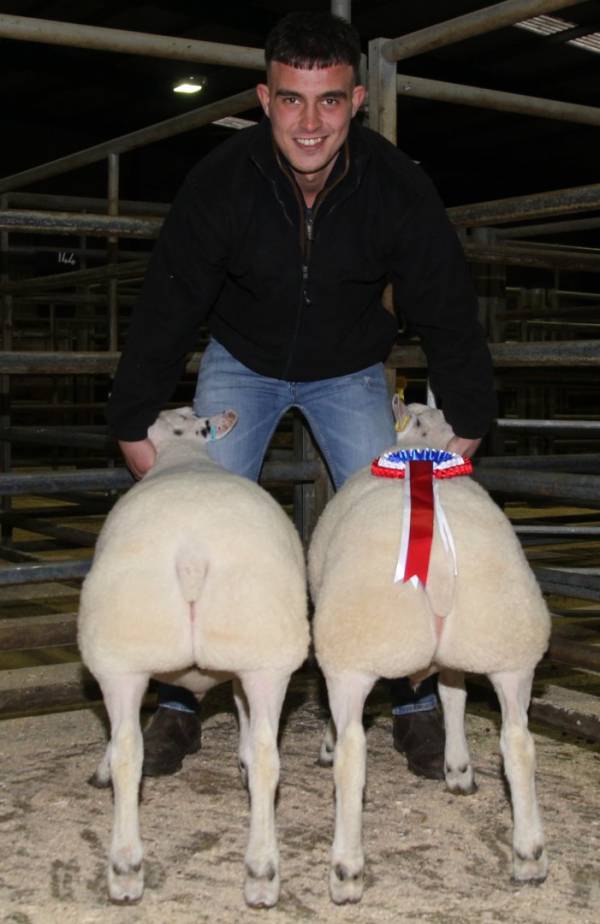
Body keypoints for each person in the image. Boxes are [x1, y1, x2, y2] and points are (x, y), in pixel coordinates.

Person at [106, 11, 496, 780]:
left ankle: (413, 696)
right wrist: (131, 418)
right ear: (265, 99)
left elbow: (445, 301)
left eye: (328, 101)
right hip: (241, 361)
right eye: (291, 100)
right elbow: (169, 301)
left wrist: (471, 413)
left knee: (392, 526)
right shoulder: (222, 181)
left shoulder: (395, 185)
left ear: (356, 101)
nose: (309, 123)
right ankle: (180, 701)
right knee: (201, 523)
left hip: (350, 367)